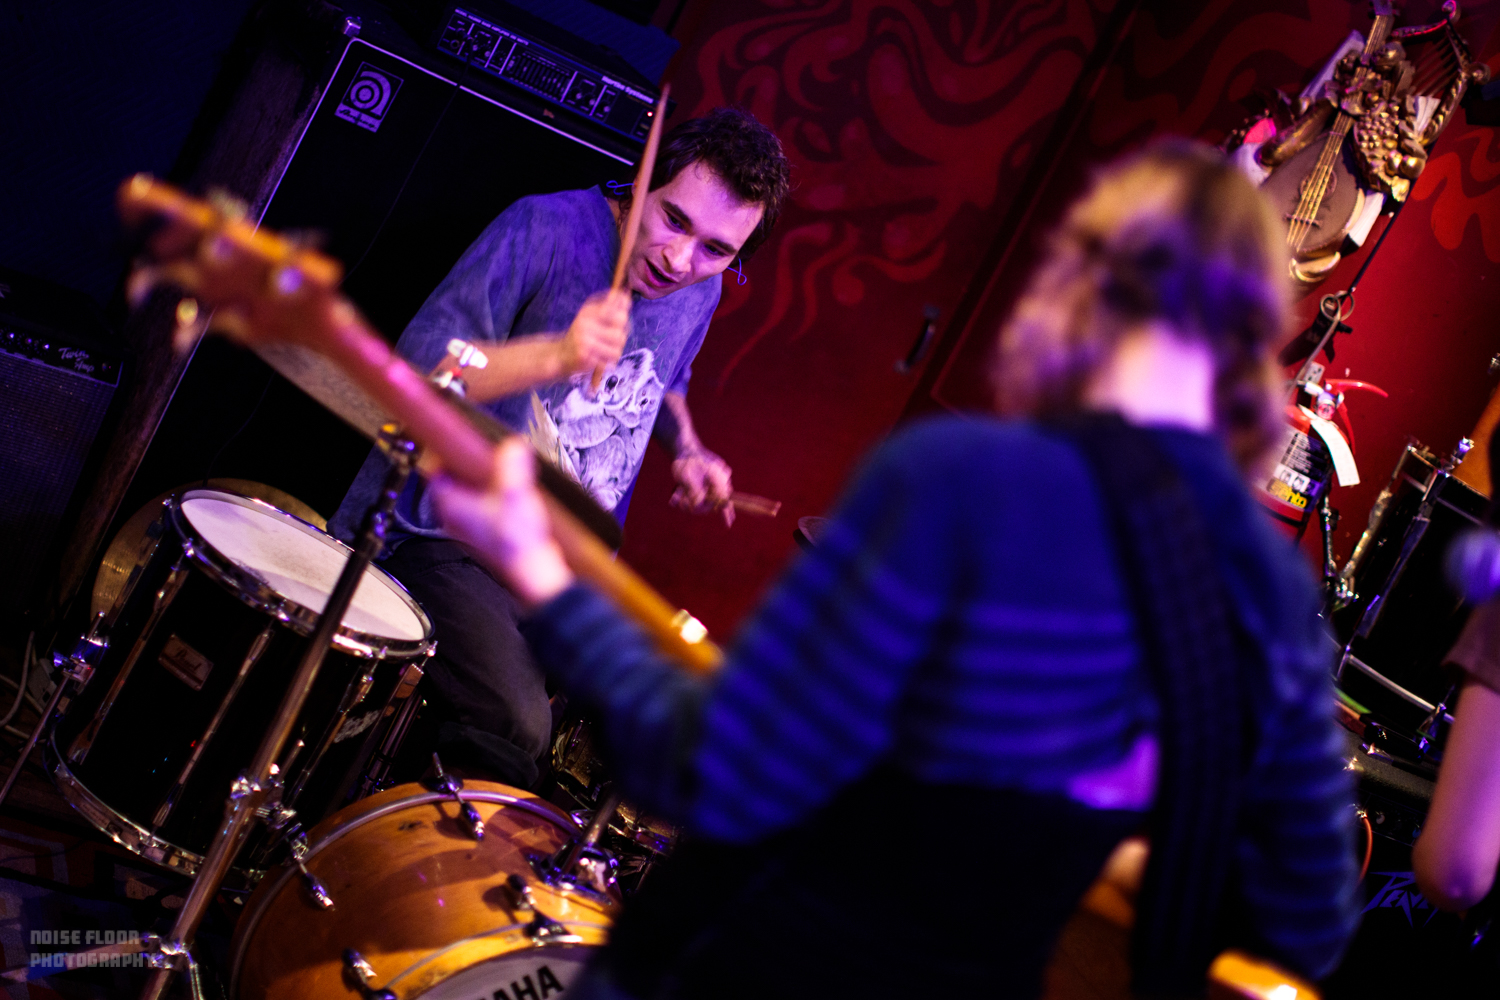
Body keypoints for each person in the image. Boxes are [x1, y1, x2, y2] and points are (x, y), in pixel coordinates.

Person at [431, 141, 1359, 997]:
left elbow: (716, 768)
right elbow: (1307, 920)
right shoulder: (1269, 598)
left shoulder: (961, 484)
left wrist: (545, 580)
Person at [327, 107, 791, 788]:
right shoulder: (545, 228)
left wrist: (688, 448)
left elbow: (666, 377)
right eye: (674, 220)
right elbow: (424, 371)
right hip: (443, 535)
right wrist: (558, 355)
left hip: (564, 564)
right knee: (516, 723)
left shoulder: (701, 290)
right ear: (642, 182)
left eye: (716, 250)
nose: (680, 260)